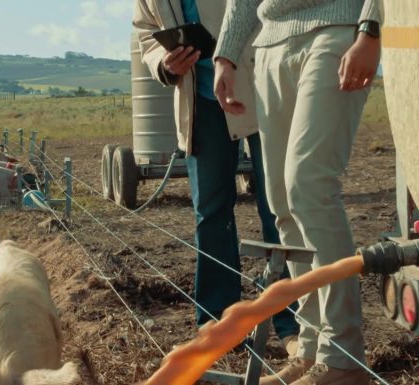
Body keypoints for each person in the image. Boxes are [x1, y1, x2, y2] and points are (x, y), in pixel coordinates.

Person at [213, 1, 382, 384]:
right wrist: (225, 54)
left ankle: (343, 358)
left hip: (338, 27)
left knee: (309, 186)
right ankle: (310, 349)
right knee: (281, 203)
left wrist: (370, 27)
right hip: (270, 44)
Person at [132, 0, 300, 353]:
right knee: (210, 213)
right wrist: (163, 63)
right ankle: (218, 320)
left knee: (276, 205)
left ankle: (292, 320)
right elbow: (145, 34)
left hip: (257, 86)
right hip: (200, 100)